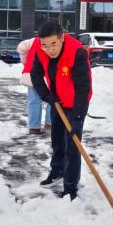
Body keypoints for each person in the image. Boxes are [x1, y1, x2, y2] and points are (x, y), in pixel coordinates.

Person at [29, 21, 92, 200]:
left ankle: (71, 185)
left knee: (73, 145)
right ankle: (57, 171)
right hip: (57, 101)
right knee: (57, 138)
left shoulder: (77, 52)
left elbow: (83, 87)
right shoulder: (40, 50)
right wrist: (47, 96)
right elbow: (35, 74)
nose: (49, 49)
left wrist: (78, 117)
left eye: (53, 44)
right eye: (45, 45)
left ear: (62, 38)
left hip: (76, 102)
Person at [17, 36, 52, 134]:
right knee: (52, 100)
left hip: (33, 74)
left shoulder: (33, 41)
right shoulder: (58, 41)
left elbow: (21, 48)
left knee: (34, 100)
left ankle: (34, 127)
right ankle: (50, 124)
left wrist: (25, 61)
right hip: (50, 74)